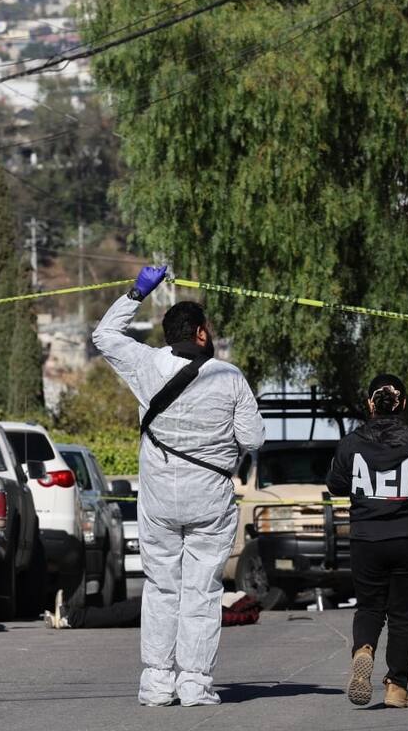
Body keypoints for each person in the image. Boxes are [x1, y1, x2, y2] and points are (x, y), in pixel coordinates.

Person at [93, 265, 265, 707]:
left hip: (158, 500)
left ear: (170, 335)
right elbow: (253, 439)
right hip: (209, 498)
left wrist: (137, 293)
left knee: (161, 587)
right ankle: (194, 684)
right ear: (202, 334)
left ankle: (156, 683)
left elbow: (104, 336)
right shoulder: (230, 376)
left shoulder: (146, 363)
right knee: (202, 592)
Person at [326, 374, 408, 709]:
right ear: (402, 404)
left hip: (366, 539)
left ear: (370, 404)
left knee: (369, 607)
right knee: (403, 615)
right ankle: (396, 686)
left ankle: (364, 648)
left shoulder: (350, 443)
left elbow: (335, 485)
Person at [43, 592, 262, 630]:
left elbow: (228, 616)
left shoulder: (228, 607)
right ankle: (65, 618)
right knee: (120, 612)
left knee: (120, 613)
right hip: (173, 604)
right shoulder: (232, 604)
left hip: (173, 609)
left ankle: (69, 618)